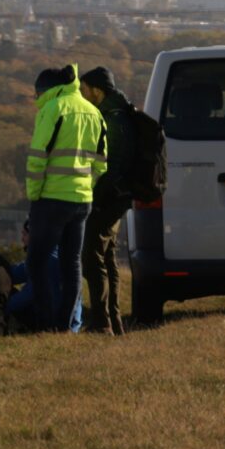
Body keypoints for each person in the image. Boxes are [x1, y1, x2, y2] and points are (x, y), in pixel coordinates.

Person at [24, 64, 107, 332]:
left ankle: (44, 324)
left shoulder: (52, 109)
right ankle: (65, 325)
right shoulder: (93, 112)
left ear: (45, 90)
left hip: (50, 199)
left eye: (37, 95)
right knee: (72, 264)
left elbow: (38, 158)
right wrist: (86, 186)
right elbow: (101, 162)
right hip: (82, 200)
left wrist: (34, 195)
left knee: (36, 262)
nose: (36, 101)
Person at [77, 65, 135, 335]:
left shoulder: (112, 118)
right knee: (108, 256)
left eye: (85, 89)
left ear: (97, 91)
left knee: (91, 255)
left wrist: (97, 198)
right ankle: (114, 321)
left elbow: (114, 165)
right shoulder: (117, 111)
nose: (82, 93)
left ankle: (101, 321)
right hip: (118, 198)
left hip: (109, 199)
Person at [7, 221, 83, 332]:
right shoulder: (58, 254)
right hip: (72, 325)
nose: (22, 239)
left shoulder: (42, 261)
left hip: (53, 325)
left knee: (6, 292)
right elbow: (18, 272)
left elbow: (27, 296)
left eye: (24, 234)